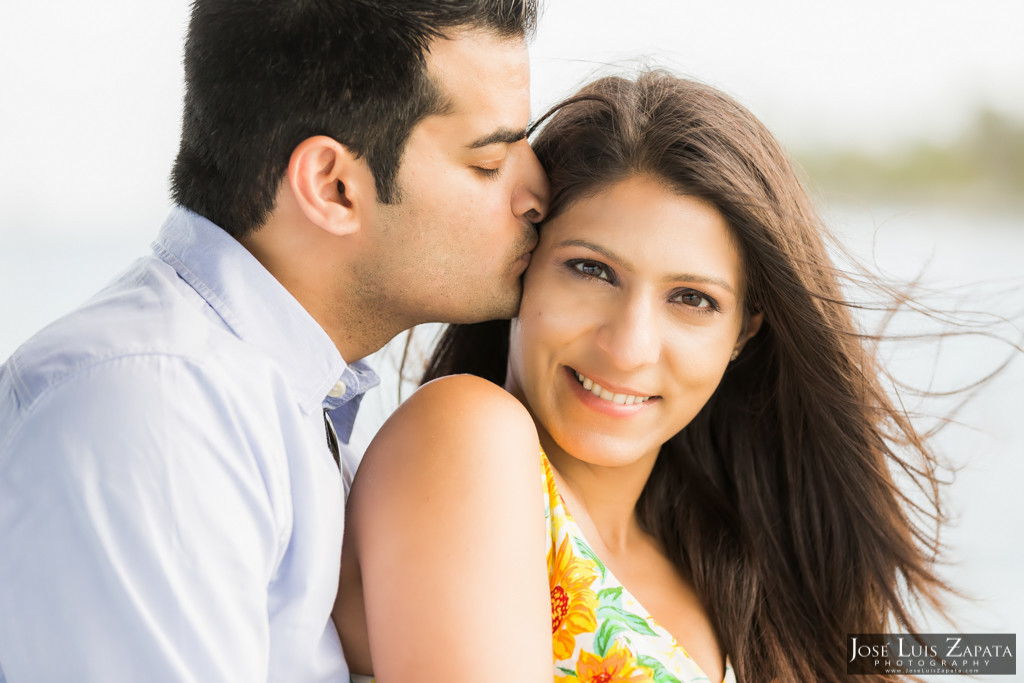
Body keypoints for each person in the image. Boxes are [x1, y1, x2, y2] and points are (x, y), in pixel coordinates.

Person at [335, 71, 951, 682]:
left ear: (744, 332)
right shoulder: (468, 438)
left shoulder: (739, 567)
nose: (628, 348)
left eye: (691, 299)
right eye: (591, 270)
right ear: (523, 268)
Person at [0, 1, 546, 681]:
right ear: (333, 185)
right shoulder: (157, 412)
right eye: (490, 162)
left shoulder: (273, 397)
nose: (537, 193)